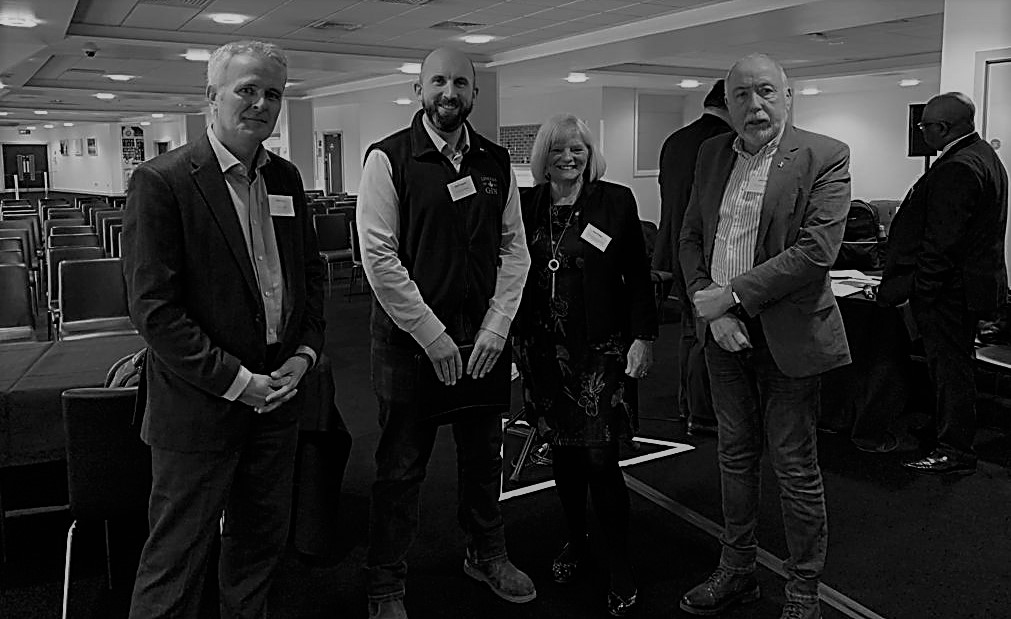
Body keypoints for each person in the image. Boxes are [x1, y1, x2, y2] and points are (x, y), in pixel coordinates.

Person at [122, 40, 325, 617]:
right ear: (211, 96)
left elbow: (308, 281)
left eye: (273, 94)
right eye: (247, 89)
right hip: (199, 406)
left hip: (277, 401)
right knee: (176, 561)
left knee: (259, 546)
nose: (261, 103)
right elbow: (154, 311)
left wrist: (305, 354)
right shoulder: (162, 182)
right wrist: (238, 381)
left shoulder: (285, 179)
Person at [356, 47, 534, 619]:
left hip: (482, 342)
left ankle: (486, 554)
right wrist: (432, 335)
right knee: (400, 470)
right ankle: (385, 584)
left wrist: (496, 327)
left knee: (483, 460)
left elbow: (515, 251)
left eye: (460, 82)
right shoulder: (389, 159)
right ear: (419, 90)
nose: (449, 92)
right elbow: (380, 258)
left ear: (475, 93)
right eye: (438, 81)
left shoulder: (496, 162)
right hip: (411, 345)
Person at [678, 54, 851, 619]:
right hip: (725, 336)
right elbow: (692, 239)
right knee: (733, 457)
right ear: (726, 104)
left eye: (766, 92)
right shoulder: (710, 154)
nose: (754, 105)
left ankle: (803, 592)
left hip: (789, 337)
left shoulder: (824, 155)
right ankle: (738, 571)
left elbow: (815, 253)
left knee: (794, 465)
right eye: (741, 96)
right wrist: (715, 311)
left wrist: (730, 297)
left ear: (788, 94)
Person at [513, 114, 657, 617]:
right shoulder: (527, 204)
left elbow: (638, 275)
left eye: (577, 149)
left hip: (600, 348)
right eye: (557, 151)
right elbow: (509, 270)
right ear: (543, 158)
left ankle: (619, 562)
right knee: (564, 456)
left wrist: (643, 337)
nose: (569, 158)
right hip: (542, 351)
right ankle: (576, 539)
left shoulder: (613, 200)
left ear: (589, 153)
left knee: (600, 458)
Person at [878, 92, 1008, 475]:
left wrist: (921, 293)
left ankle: (954, 448)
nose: (922, 133)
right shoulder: (983, 155)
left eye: (925, 127)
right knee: (955, 366)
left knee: (950, 369)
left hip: (949, 292)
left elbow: (941, 242)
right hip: (966, 287)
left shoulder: (959, 166)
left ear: (943, 128)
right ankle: (950, 431)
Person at [653, 79, 733, 435]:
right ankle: (704, 414)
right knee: (706, 334)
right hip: (707, 255)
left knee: (690, 333)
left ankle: (689, 406)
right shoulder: (724, 145)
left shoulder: (674, 141)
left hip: (672, 251)